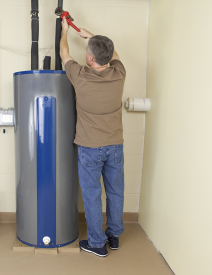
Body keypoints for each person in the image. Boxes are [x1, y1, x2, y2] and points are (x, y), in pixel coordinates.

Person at [60, 18, 126, 257]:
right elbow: (114, 53)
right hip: (115, 146)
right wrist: (92, 36)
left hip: (90, 148)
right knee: (115, 192)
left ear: (89, 58)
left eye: (88, 51)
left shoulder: (80, 76)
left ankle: (97, 244)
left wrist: (65, 31)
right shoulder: (119, 73)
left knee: (92, 195)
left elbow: (64, 53)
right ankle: (114, 236)